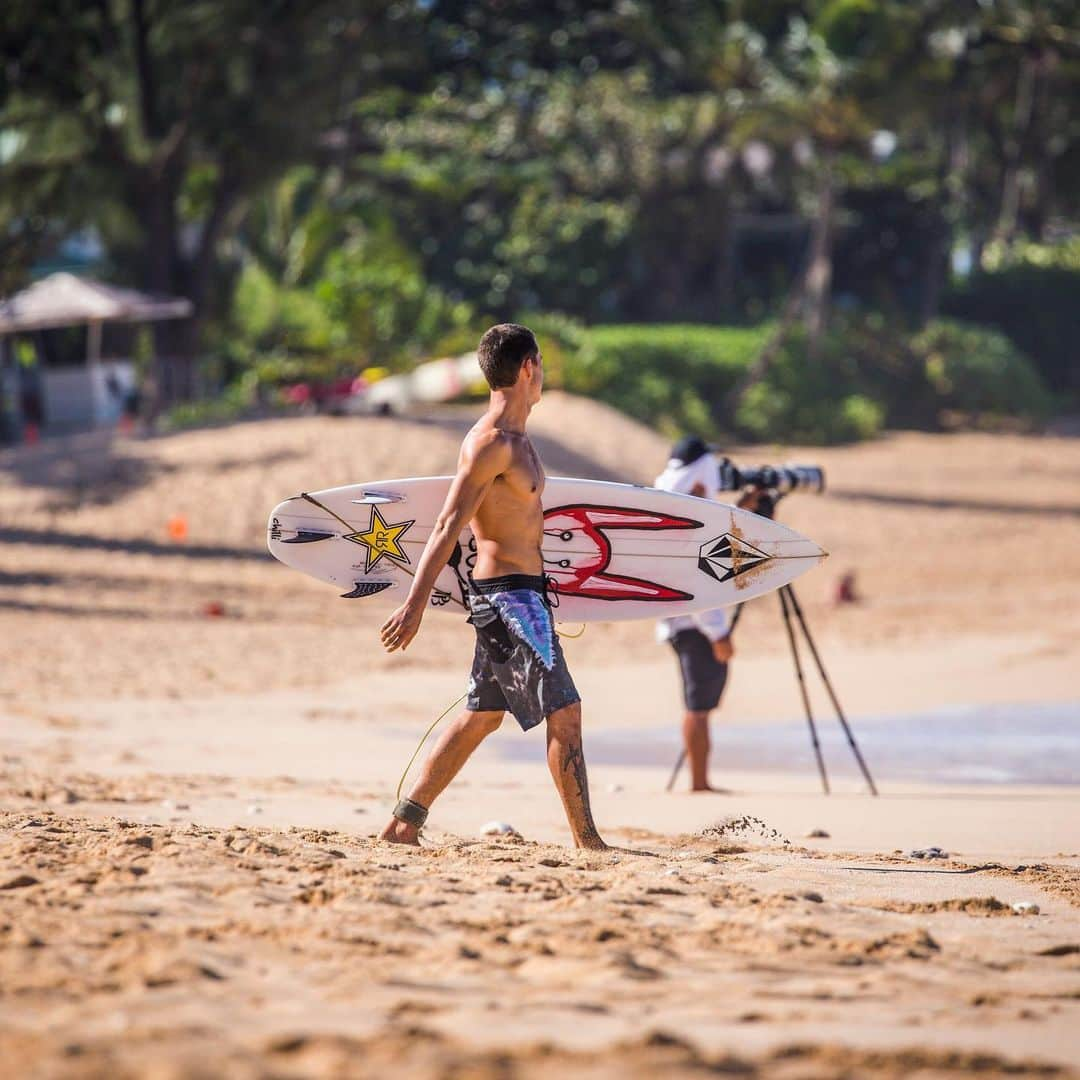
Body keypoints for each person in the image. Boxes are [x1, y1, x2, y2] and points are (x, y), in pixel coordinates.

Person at [378, 324, 606, 850]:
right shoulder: (492, 444)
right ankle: (588, 842)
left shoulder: (517, 442)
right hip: (509, 598)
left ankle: (403, 823)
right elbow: (446, 524)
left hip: (521, 590)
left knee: (482, 714)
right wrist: (414, 604)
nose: (542, 373)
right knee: (565, 711)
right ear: (528, 367)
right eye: (541, 363)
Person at [655, 436, 760, 793]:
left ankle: (700, 779)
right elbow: (699, 583)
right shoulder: (693, 519)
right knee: (697, 705)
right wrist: (718, 632)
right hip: (693, 625)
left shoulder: (677, 507)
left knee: (699, 702)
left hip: (683, 622)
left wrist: (744, 505)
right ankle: (698, 783)